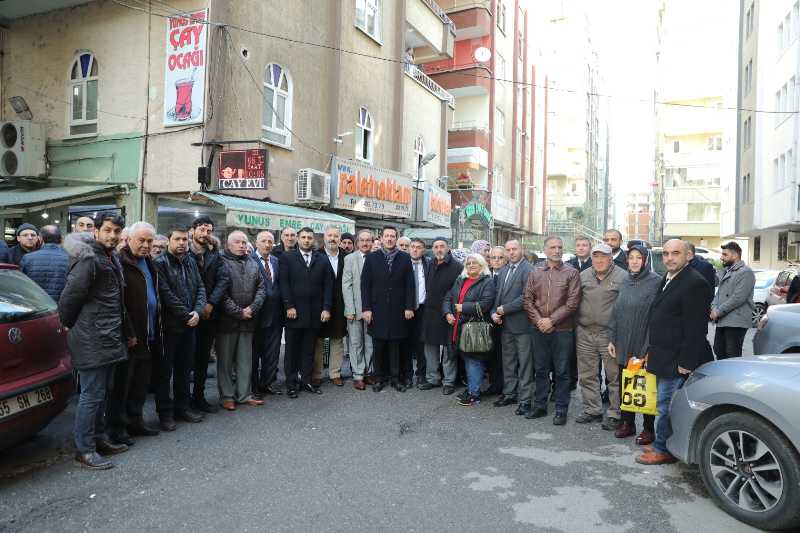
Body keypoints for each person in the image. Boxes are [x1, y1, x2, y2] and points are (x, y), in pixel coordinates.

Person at [59, 212, 132, 470]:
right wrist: (69, 325)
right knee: (92, 395)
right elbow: (69, 299)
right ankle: (84, 449)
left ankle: (99, 438)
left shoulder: (110, 258)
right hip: (92, 338)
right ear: (96, 231)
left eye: (116, 231)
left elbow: (118, 303)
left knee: (103, 393)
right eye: (108, 230)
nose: (112, 235)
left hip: (109, 336)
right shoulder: (89, 259)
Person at [636, 239, 713, 465]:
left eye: (675, 253)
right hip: (663, 354)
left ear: (688, 256)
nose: (669, 258)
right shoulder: (669, 277)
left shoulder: (694, 283)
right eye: (666, 254)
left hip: (678, 359)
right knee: (663, 404)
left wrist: (687, 362)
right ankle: (663, 443)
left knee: (666, 406)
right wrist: (651, 350)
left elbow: (696, 327)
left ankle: (663, 449)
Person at [111, 222, 162, 444]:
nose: (146, 245)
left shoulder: (149, 262)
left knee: (141, 383)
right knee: (123, 384)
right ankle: (118, 428)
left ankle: (136, 421)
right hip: (131, 336)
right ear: (128, 239)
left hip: (150, 334)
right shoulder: (120, 263)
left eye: (149, 241)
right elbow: (117, 303)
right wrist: (128, 331)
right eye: (141, 240)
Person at [523, 236, 581, 424]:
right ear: (545, 250)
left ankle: (561, 410)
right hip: (538, 328)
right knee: (540, 369)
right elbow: (527, 300)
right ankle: (540, 406)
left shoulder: (571, 273)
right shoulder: (535, 272)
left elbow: (572, 303)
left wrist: (552, 320)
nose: (556, 250)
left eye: (559, 247)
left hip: (563, 330)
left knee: (562, 371)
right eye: (552, 247)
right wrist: (540, 320)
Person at [155, 226, 208, 428]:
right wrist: (186, 314)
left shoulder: (190, 261)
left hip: (190, 325)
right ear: (169, 240)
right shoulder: (160, 263)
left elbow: (200, 288)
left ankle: (182, 407)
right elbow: (165, 293)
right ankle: (165, 413)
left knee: (185, 370)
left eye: (185, 239)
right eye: (177, 239)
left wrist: (197, 310)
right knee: (164, 372)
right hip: (169, 327)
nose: (182, 243)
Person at [608, 244, 661, 444]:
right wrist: (612, 339)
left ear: (645, 260)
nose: (635, 261)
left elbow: (657, 317)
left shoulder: (655, 282)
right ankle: (627, 424)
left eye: (639, 257)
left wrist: (649, 347)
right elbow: (616, 311)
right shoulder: (625, 281)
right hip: (623, 341)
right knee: (626, 385)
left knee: (645, 386)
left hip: (644, 342)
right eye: (631, 258)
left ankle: (649, 429)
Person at [574, 243, 627, 430]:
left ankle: (615, 413)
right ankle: (592, 409)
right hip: (585, 332)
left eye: (603, 256)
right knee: (587, 375)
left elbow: (626, 307)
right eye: (595, 256)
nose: (599, 260)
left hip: (609, 335)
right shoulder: (583, 275)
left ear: (611, 258)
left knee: (614, 376)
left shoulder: (622, 276)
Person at [280, 227, 333, 398]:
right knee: (292, 350)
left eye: (309, 237)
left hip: (315, 313)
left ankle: (307, 381)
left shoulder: (322, 259)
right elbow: (284, 284)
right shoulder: (287, 257)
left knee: (309, 349)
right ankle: (291, 383)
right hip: (294, 312)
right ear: (298, 239)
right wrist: (289, 306)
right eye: (303, 237)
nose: (306, 240)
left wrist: (326, 308)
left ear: (313, 240)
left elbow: (328, 286)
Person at [361, 226, 415, 392]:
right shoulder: (371, 258)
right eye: (387, 236)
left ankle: (395, 378)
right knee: (378, 346)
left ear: (396, 238)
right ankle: (378, 378)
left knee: (395, 346)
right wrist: (367, 308)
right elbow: (365, 285)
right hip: (377, 309)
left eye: (392, 236)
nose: (390, 239)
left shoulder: (405, 258)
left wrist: (409, 306)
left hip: (399, 309)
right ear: (381, 238)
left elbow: (410, 285)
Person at [217, 231, 266, 410]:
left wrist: (252, 309)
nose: (242, 245)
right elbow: (221, 294)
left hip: (248, 320)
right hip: (227, 321)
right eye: (237, 242)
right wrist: (239, 312)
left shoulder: (253, 263)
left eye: (244, 242)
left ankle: (244, 394)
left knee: (245, 360)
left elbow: (262, 289)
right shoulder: (221, 262)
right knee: (226, 361)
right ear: (229, 245)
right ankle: (227, 396)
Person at [189, 216, 230, 414]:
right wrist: (197, 306)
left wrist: (211, 303)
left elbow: (223, 280)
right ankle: (181, 401)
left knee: (203, 359)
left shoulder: (215, 255)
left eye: (209, 231)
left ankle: (199, 397)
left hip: (209, 314)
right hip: (187, 313)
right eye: (202, 230)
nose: (205, 234)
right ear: (193, 230)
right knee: (184, 360)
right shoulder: (184, 251)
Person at [444, 254, 496, 406]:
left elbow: (486, 303)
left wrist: (464, 307)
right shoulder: (461, 280)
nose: (471, 265)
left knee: (474, 360)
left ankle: (474, 394)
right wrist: (447, 313)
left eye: (475, 263)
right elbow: (448, 298)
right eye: (468, 263)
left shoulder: (487, 282)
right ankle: (473, 389)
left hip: (473, 328)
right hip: (458, 326)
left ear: (482, 265)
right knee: (467, 359)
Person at [491, 239, 533, 409]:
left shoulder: (529, 270)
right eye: (508, 250)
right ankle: (509, 394)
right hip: (505, 325)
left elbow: (526, 297)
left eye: (514, 249)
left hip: (522, 326)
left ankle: (525, 399)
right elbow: (498, 294)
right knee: (508, 362)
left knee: (525, 364)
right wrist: (494, 312)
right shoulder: (504, 269)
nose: (511, 252)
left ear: (521, 249)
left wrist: (504, 309)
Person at [419, 237, 463, 394]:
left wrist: (451, 312)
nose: (438, 249)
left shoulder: (457, 267)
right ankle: (432, 378)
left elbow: (458, 292)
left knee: (448, 349)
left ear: (448, 248)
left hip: (448, 313)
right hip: (430, 313)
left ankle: (449, 381)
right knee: (430, 348)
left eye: (442, 246)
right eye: (436, 247)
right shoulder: (429, 263)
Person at [313, 226, 347, 387]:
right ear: (324, 238)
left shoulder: (347, 257)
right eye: (330, 235)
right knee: (318, 340)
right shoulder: (316, 255)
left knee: (337, 339)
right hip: (320, 304)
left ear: (340, 238)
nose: (333, 238)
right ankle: (317, 373)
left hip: (341, 304)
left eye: (336, 236)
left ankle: (335, 373)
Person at [711, 241, 755, 359]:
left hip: (736, 320)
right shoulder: (727, 271)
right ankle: (724, 376)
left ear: (735, 255)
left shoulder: (746, 272)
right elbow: (718, 294)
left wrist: (718, 311)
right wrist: (713, 308)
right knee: (718, 348)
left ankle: (733, 377)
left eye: (725, 255)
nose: (721, 257)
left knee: (732, 353)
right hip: (723, 319)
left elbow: (738, 298)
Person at [252, 231, 283, 397]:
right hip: (256, 315)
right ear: (256, 243)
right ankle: (254, 387)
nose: (267, 244)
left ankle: (268, 383)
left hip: (275, 315)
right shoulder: (250, 260)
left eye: (270, 241)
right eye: (263, 241)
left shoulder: (276, 261)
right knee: (254, 354)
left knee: (272, 353)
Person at [343, 229, 374, 390]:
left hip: (372, 310)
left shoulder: (377, 258)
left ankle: (368, 372)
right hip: (354, 308)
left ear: (372, 242)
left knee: (370, 343)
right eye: (362, 240)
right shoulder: (350, 259)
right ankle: (358, 375)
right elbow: (346, 285)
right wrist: (350, 308)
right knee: (356, 343)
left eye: (368, 240)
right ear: (357, 243)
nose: (365, 243)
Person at [404, 237, 430, 386]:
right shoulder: (402, 263)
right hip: (406, 310)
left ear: (423, 250)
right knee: (406, 343)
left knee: (421, 343)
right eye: (412, 246)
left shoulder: (428, 264)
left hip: (423, 309)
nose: (415, 249)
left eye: (418, 247)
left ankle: (421, 374)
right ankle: (408, 374)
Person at [19, 225, 69, 302]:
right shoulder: (71, 258)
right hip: (61, 306)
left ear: (40, 238)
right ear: (62, 239)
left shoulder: (27, 258)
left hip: (37, 305)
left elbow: (22, 285)